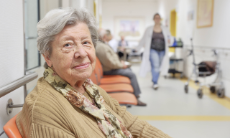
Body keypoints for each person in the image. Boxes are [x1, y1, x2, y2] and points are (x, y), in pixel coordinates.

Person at [16, 8, 170, 138]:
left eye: (85, 42)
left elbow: (132, 124)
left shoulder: (89, 89)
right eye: (68, 44)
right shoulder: (44, 109)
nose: (82, 53)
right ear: (47, 57)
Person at [96, 29, 147, 106]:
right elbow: (110, 63)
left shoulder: (103, 44)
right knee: (132, 74)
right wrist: (122, 65)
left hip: (112, 67)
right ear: (104, 36)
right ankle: (136, 97)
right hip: (109, 70)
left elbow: (111, 59)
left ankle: (133, 95)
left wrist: (121, 63)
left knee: (129, 69)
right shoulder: (101, 47)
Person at [135, 13, 173, 90]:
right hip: (152, 50)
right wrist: (137, 48)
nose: (157, 19)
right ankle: (155, 83)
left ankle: (154, 80)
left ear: (160, 19)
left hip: (162, 51)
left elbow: (170, 38)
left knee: (158, 66)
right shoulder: (149, 29)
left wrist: (170, 41)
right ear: (153, 19)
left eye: (159, 18)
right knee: (155, 65)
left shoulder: (165, 29)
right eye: (156, 18)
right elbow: (143, 39)